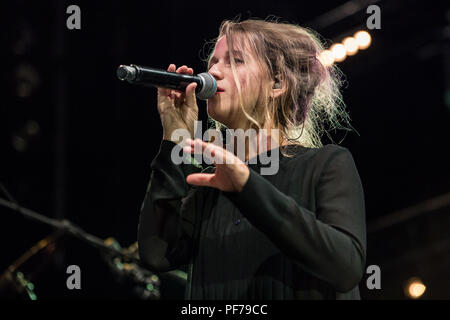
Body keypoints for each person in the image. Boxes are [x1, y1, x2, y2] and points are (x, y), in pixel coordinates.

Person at [137, 17, 366, 300]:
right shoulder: (210, 184)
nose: (214, 71)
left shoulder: (326, 165)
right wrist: (175, 135)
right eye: (213, 63)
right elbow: (157, 254)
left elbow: (345, 267)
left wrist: (247, 187)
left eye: (235, 61)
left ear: (277, 83)